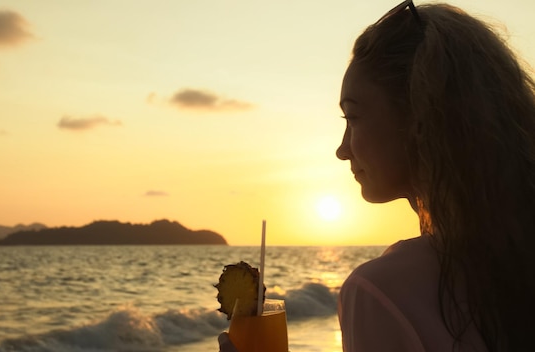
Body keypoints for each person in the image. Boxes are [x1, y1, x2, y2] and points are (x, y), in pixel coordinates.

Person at [220, 1, 535, 351]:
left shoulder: (381, 292)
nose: (342, 149)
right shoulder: (515, 259)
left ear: (419, 120)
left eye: (352, 118)